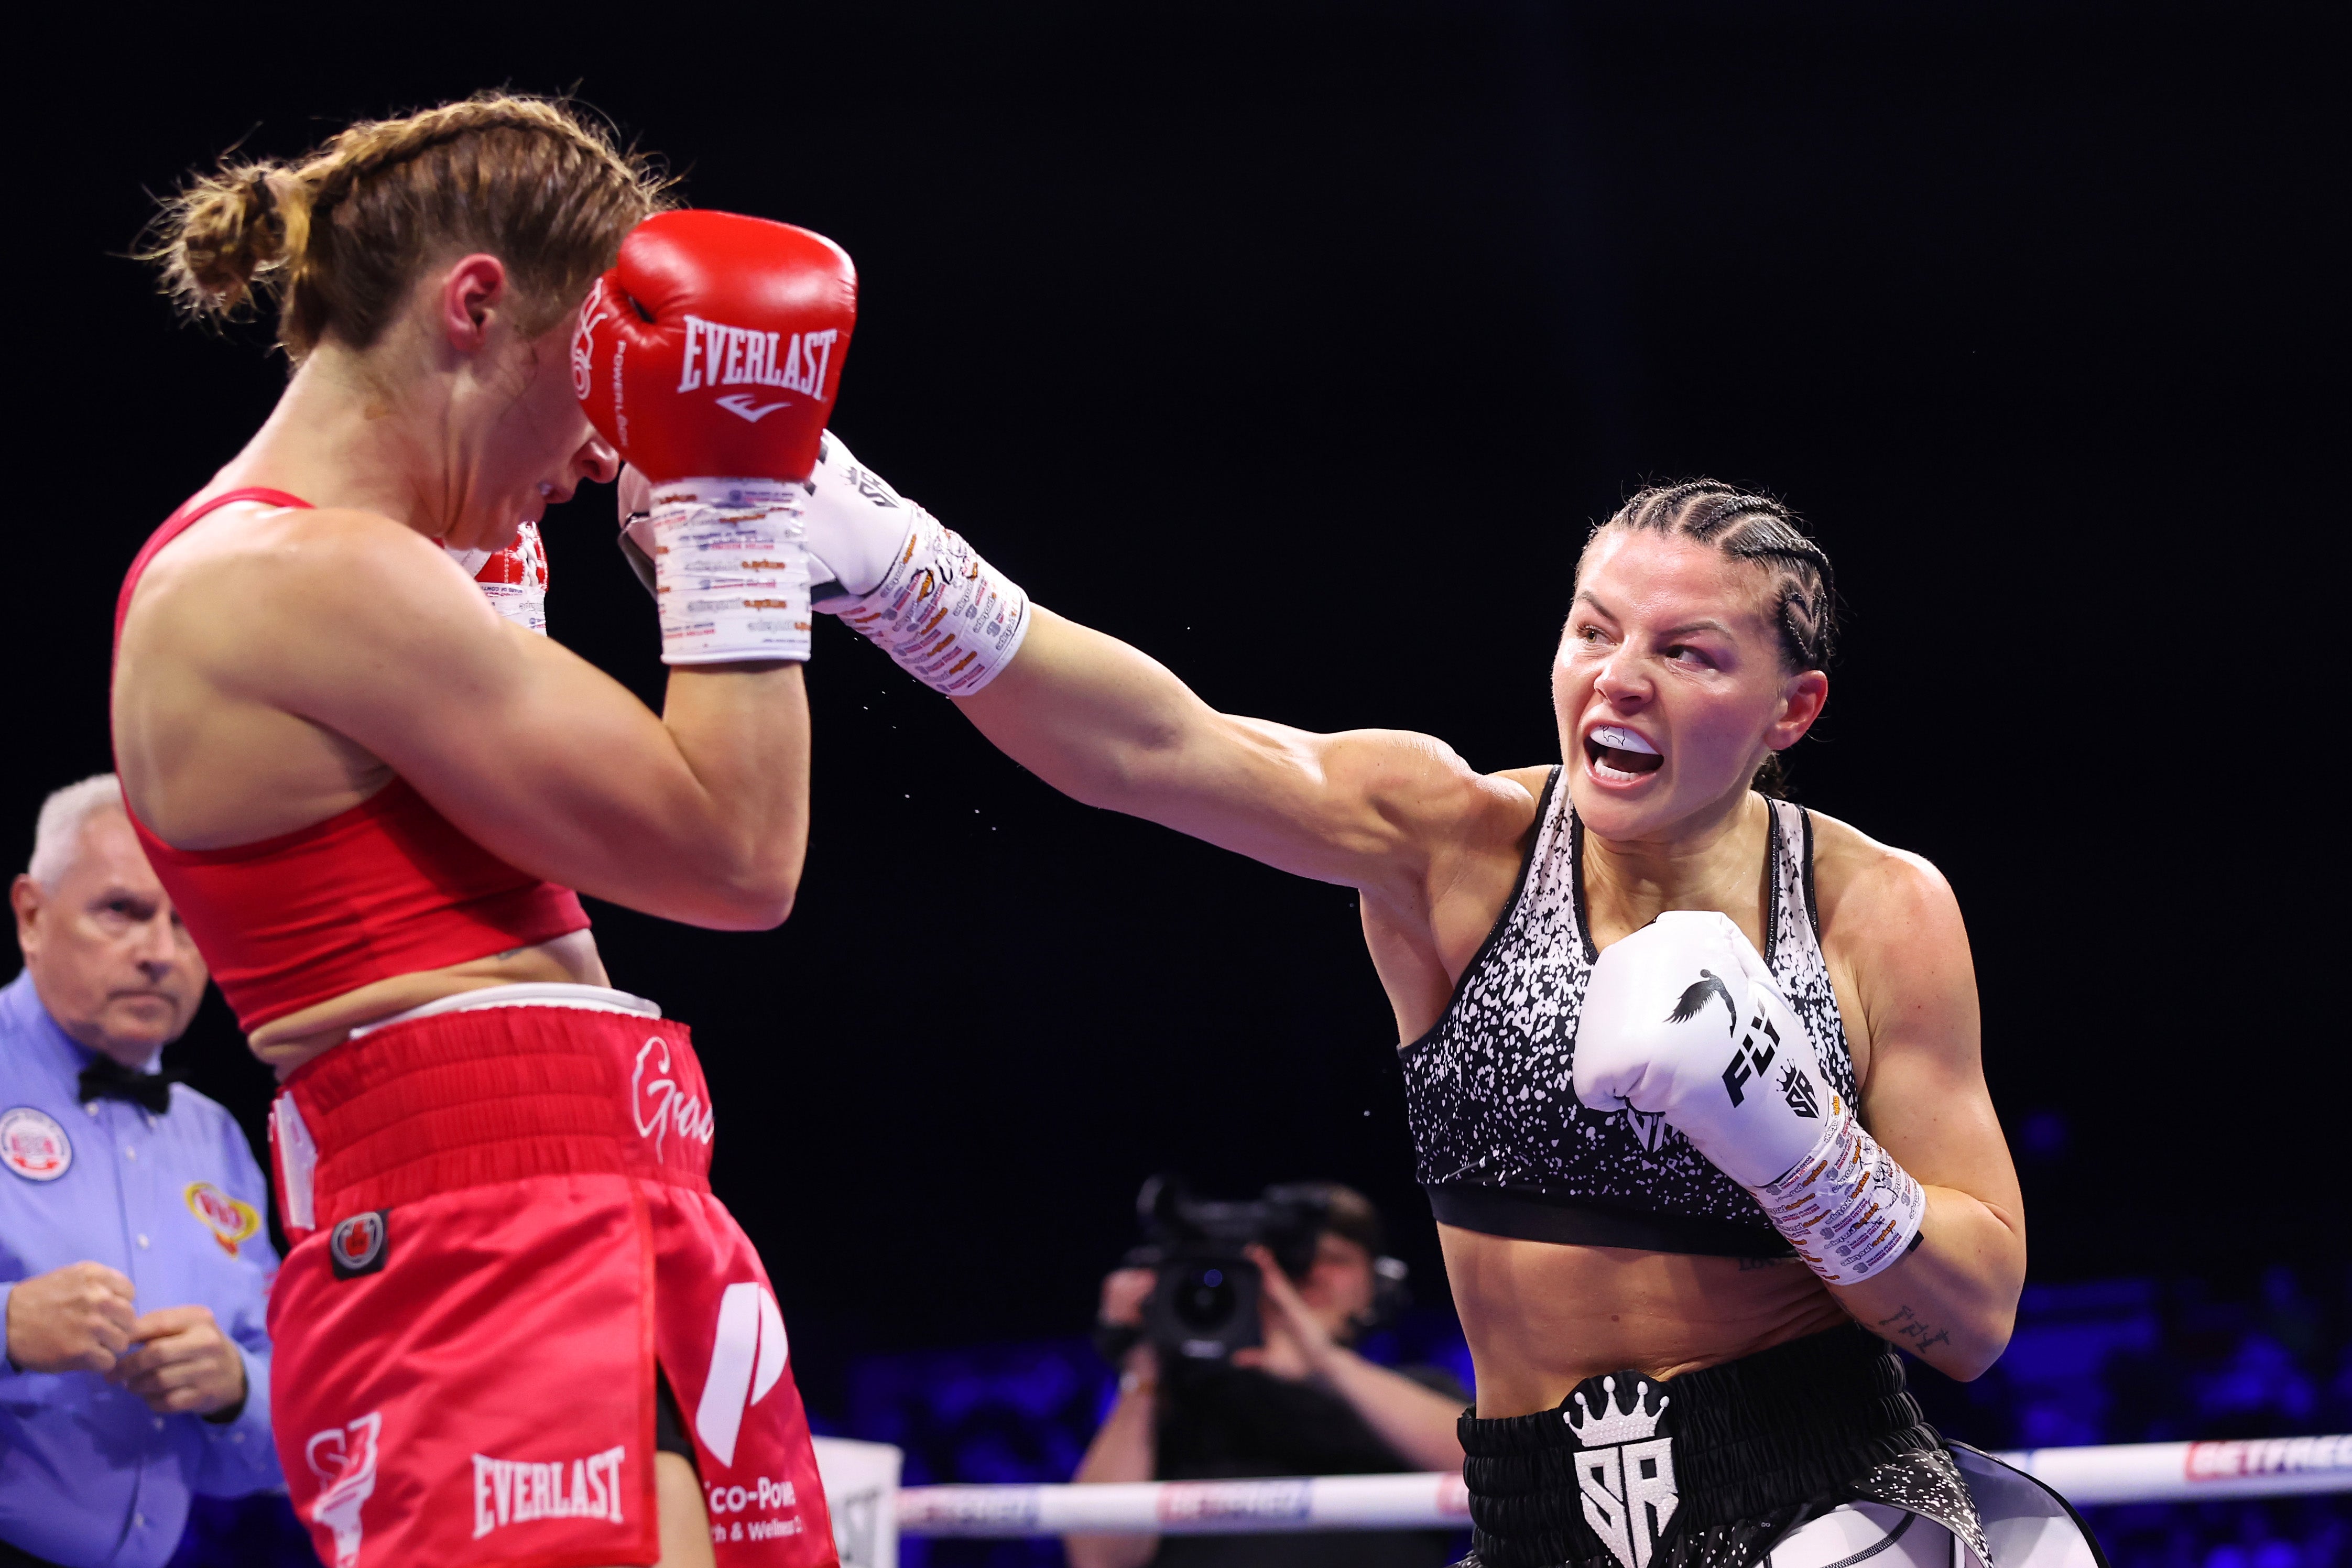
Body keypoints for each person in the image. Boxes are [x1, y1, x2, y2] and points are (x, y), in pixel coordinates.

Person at [772, 455, 2107, 1565]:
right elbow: (1156, 746)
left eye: (1687, 652)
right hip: (1530, 1517)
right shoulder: (1452, 843)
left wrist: (1797, 1143)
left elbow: (1975, 1319)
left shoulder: (1874, 907)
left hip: (1827, 1493)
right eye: (1594, 629)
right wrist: (900, 570)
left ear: (1789, 709)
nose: (1619, 678)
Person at [117, 93, 877, 1568]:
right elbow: (739, 858)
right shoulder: (289, 576)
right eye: (594, 371)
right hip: (479, 1247)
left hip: (603, 1207)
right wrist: (730, 507)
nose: (610, 450)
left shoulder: (373, 578)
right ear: (475, 306)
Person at [1, 776, 281, 1567]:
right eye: (121, 911)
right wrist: (8, 1327)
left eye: (188, 924)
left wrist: (234, 1388)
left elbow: (281, 1446)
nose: (161, 953)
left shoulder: (218, 1139)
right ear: (31, 915)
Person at [1069, 1182, 1466, 1568]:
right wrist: (1144, 1362)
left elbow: (1489, 1469)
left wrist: (1325, 1364)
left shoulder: (1424, 1393)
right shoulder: (1183, 1405)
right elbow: (1098, 1557)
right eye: (1294, 1263)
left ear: (1379, 1282)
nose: (1314, 1276)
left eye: (1335, 1259)